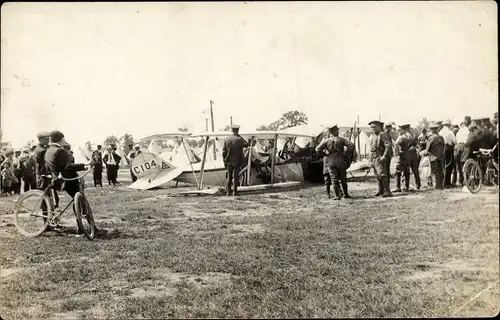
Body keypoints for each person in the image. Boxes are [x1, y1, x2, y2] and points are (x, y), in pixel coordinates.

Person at [315, 125, 355, 199]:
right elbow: (351, 145)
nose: (338, 131)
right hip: (340, 159)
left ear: (330, 132)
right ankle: (345, 194)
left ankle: (337, 195)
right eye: (337, 130)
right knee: (343, 178)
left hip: (331, 160)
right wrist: (346, 153)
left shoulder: (326, 141)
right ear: (336, 131)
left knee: (334, 178)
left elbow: (317, 149)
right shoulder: (341, 139)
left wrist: (324, 154)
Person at [222, 124, 248, 196]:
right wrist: (240, 137)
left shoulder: (227, 139)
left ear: (232, 130)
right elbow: (247, 144)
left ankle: (228, 192)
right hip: (237, 160)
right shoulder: (239, 139)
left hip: (229, 161)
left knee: (229, 176)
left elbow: (224, 151)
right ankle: (235, 192)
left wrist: (224, 160)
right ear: (238, 130)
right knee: (236, 176)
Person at [369, 120, 393, 197]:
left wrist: (384, 156)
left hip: (380, 157)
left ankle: (387, 191)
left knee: (382, 174)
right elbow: (371, 149)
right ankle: (380, 190)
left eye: (375, 127)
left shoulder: (382, 135)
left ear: (379, 127)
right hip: (374, 157)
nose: (373, 129)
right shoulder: (372, 136)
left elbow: (388, 145)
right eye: (372, 127)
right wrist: (370, 160)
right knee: (377, 174)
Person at [421, 122, 445, 189]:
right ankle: (440, 185)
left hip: (433, 157)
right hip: (440, 156)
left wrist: (421, 153)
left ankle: (438, 186)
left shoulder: (431, 138)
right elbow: (443, 146)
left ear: (431, 130)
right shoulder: (441, 137)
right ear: (437, 129)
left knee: (436, 171)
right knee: (440, 170)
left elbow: (427, 149)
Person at [439, 119, 457, 187]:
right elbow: (455, 141)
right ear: (449, 125)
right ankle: (447, 182)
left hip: (441, 148)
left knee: (443, 165)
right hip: (448, 148)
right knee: (449, 164)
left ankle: (443, 181)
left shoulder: (441, 132)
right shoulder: (450, 132)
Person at [394, 125, 410, 192]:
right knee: (406, 171)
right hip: (407, 155)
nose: (398, 131)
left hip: (402, 155)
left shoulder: (401, 137)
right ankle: (406, 187)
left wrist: (397, 153)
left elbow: (396, 145)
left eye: (399, 130)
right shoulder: (407, 136)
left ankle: (398, 187)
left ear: (402, 130)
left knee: (398, 171)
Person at [454, 122, 469, 187]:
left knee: (458, 165)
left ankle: (460, 181)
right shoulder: (467, 130)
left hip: (457, 146)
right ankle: (466, 180)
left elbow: (456, 140)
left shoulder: (458, 132)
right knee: (464, 163)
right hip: (464, 146)